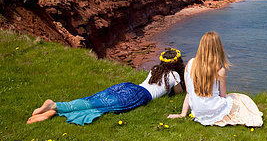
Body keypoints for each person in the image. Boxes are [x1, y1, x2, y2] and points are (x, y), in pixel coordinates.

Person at [27, 48, 185, 125]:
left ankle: (55, 108)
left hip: (130, 87)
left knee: (96, 99)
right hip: (139, 96)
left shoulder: (154, 69)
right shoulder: (174, 75)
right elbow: (178, 93)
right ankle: (56, 108)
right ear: (177, 62)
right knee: (102, 108)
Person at [167, 31, 263, 127]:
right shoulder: (219, 70)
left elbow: (189, 92)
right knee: (242, 99)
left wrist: (182, 114)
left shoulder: (190, 63)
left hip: (198, 111)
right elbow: (223, 96)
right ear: (218, 48)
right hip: (213, 109)